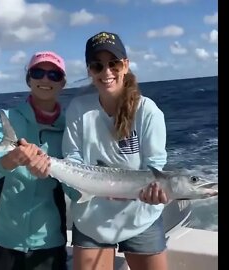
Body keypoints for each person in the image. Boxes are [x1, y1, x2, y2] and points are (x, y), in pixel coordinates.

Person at [62, 31, 171, 270]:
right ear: (89, 70)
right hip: (92, 218)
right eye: (97, 66)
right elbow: (72, 158)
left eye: (113, 63)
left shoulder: (148, 111)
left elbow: (154, 165)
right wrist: (78, 186)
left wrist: (154, 194)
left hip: (140, 217)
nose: (107, 72)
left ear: (126, 65)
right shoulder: (78, 108)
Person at [0, 51, 69, 270]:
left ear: (63, 83)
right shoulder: (4, 118)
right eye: (38, 72)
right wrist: (10, 159)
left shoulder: (70, 127)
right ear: (29, 79)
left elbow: (75, 191)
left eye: (53, 75)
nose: (45, 79)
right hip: (2, 241)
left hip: (49, 242)